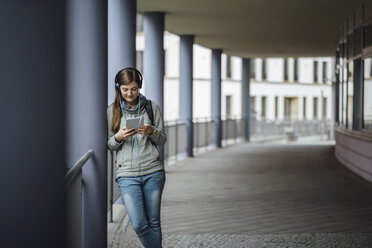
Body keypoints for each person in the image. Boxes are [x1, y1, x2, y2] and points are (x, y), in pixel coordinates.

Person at [107, 67, 167, 248]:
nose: (130, 93)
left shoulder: (151, 106)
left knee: (154, 222)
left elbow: (162, 140)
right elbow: (109, 144)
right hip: (126, 174)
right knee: (140, 224)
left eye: (134, 89)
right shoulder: (112, 111)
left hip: (153, 171)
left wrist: (152, 131)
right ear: (118, 87)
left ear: (139, 86)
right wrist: (118, 137)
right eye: (125, 89)